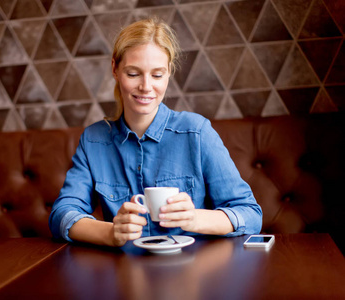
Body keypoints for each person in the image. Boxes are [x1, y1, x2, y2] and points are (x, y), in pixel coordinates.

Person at [49, 18, 262, 247]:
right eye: (133, 74)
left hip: (191, 275)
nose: (146, 86)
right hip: (125, 275)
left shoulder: (197, 132)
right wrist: (110, 233)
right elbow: (62, 214)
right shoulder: (94, 140)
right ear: (115, 69)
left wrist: (195, 219)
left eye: (157, 75)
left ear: (169, 73)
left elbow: (250, 214)